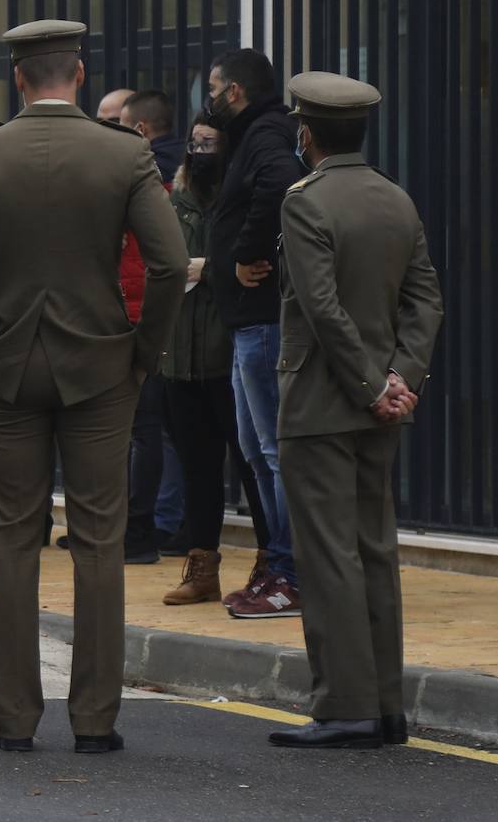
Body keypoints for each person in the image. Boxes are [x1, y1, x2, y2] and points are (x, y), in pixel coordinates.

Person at [0, 19, 187, 754]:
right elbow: (169, 263)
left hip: (3, 365)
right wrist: (144, 351)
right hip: (102, 363)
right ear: (79, 71)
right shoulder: (125, 152)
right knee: (100, 538)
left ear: (17, 78)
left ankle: (13, 720)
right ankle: (95, 719)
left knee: (12, 539)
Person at [266, 73, 443, 749]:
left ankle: (344, 704)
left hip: (320, 398)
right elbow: (425, 301)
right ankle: (386, 704)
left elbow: (320, 309)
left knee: (328, 552)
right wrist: (401, 377)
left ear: (306, 133)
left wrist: (372, 384)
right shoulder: (395, 199)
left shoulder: (305, 202)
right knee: (374, 547)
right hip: (382, 405)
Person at [202, 49, 305, 618]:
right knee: (254, 449)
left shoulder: (265, 134)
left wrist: (247, 254)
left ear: (234, 90)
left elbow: (279, 188)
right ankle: (277, 558)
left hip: (263, 319)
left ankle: (291, 571)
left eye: (214, 87)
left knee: (273, 450)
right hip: (246, 321)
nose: (210, 98)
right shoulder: (252, 134)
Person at [159, 116, 272, 605]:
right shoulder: (172, 200)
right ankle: (202, 566)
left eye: (211, 143)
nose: (200, 150)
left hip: (229, 352)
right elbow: (161, 262)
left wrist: (210, 269)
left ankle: (273, 559)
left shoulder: (242, 200)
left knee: (253, 465)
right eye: (195, 142)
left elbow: (259, 264)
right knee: (196, 468)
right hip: (178, 354)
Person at [113, 88, 186, 563]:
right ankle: (153, 524)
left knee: (142, 429)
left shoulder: (143, 180)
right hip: (160, 316)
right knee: (156, 430)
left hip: (137, 316)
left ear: (140, 130)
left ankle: (139, 530)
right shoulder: (176, 174)